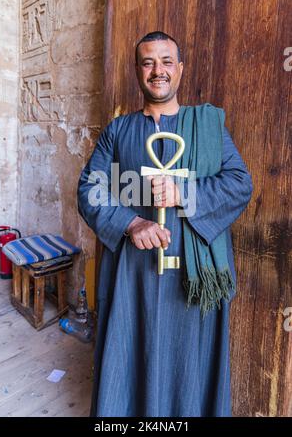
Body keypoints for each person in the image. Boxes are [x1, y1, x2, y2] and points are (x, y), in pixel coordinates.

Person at [77, 31, 253, 417]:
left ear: (180, 69)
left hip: (193, 275)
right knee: (129, 359)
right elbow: (90, 188)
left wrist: (182, 193)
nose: (158, 71)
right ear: (138, 71)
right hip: (132, 273)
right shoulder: (118, 131)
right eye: (148, 62)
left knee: (188, 371)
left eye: (166, 61)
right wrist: (130, 222)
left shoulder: (207, 127)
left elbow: (240, 184)